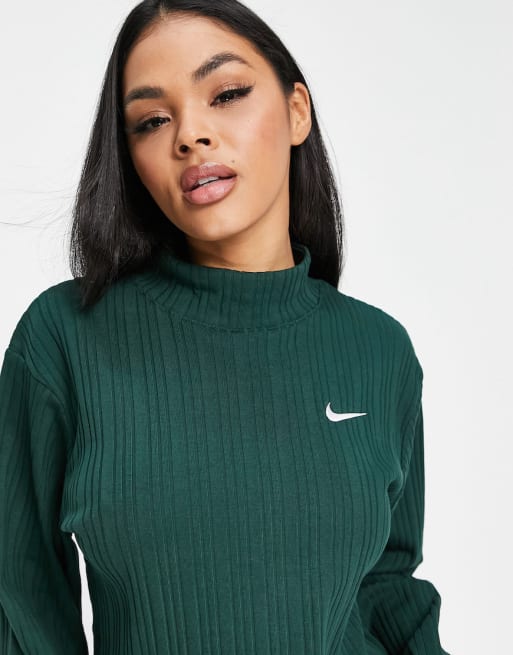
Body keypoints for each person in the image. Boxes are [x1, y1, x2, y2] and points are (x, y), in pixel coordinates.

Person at [0, 0, 450, 653]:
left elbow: (385, 587)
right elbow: (19, 593)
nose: (190, 135)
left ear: (297, 112)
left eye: (227, 94)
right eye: (152, 121)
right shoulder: (64, 338)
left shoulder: (378, 351)